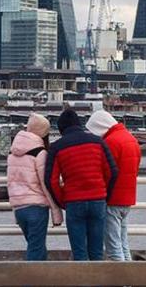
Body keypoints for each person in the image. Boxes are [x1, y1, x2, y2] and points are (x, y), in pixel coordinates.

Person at [45, 108, 117, 261]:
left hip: (74, 202)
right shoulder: (98, 142)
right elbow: (112, 172)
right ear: (80, 124)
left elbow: (50, 180)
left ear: (61, 129)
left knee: (79, 253)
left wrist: (62, 201)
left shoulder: (57, 147)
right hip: (98, 200)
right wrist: (105, 196)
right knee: (97, 252)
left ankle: (82, 281)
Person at [7, 113, 63, 260]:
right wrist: (56, 212)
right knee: (36, 250)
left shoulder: (12, 153)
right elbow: (46, 184)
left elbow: (10, 182)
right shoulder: (40, 153)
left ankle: (42, 278)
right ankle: (32, 279)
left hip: (19, 208)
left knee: (36, 246)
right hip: (36, 207)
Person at [87, 109, 140, 261]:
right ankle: (130, 277)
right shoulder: (131, 139)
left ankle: (121, 280)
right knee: (123, 243)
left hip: (112, 199)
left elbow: (104, 171)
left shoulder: (110, 142)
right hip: (128, 198)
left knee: (113, 246)